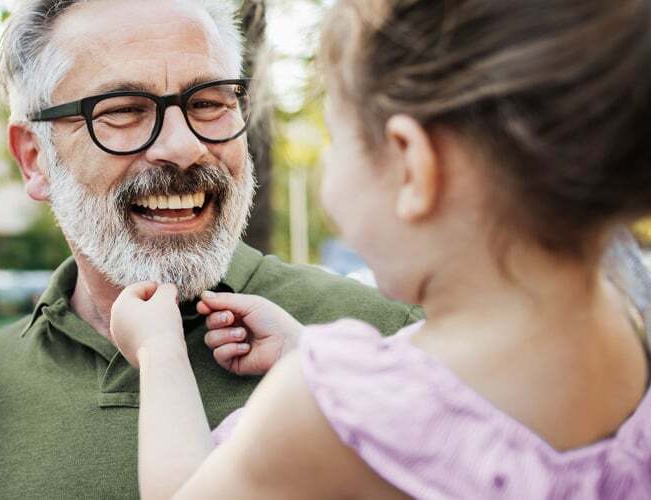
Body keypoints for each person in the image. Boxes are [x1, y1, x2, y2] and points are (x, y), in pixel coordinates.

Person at [110, 0, 651, 497]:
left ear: (412, 166)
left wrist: (160, 354)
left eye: (336, 140)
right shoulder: (625, 331)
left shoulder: (315, 406)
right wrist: (305, 350)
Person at [0, 0, 421, 497]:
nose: (184, 147)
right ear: (34, 158)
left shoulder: (393, 344)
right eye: (123, 110)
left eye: (208, 102)